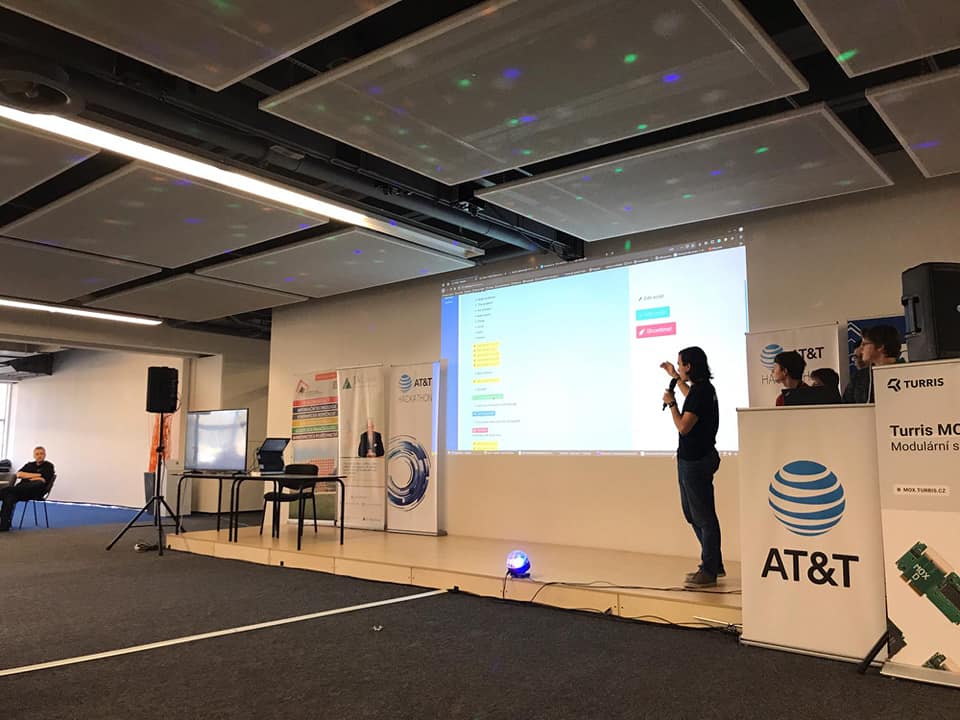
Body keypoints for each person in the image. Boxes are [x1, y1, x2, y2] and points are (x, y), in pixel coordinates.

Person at [661, 347, 723, 589]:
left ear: (689, 366)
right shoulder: (702, 389)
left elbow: (683, 426)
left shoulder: (701, 392)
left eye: (680, 364)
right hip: (694, 459)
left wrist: (671, 403)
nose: (678, 367)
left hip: (696, 461)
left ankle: (709, 569)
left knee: (703, 517)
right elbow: (692, 398)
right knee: (692, 513)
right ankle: (713, 562)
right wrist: (675, 377)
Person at [842, 325, 903, 403]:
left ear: (880, 347)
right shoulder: (859, 377)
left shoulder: (908, 373)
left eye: (864, 344)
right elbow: (846, 406)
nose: (861, 349)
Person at [0, 446, 55, 531]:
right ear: (34, 455)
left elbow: (43, 480)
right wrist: (38, 475)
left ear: (45, 455)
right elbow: (19, 474)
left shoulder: (49, 466)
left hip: (35, 492)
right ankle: (4, 525)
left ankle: (4, 492)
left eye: (41, 454)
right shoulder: (29, 465)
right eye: (37, 454)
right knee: (9, 497)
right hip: (20, 491)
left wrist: (27, 476)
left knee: (37, 483)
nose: (39, 456)